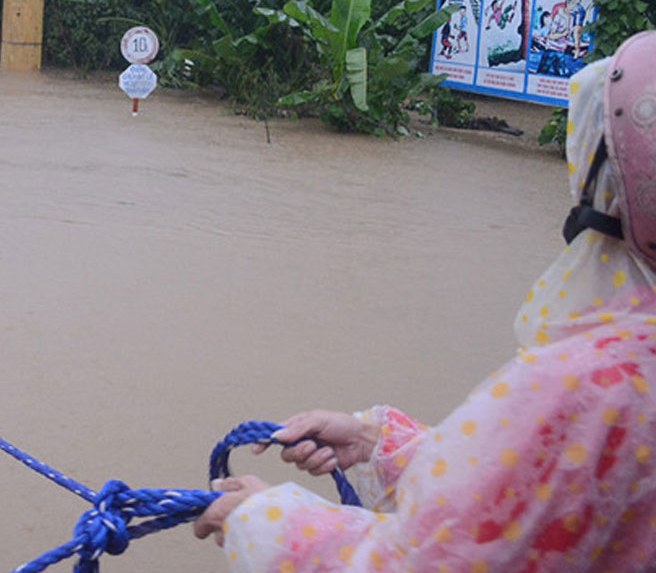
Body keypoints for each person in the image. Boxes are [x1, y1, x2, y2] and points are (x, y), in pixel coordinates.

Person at [195, 31, 656, 572]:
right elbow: (524, 491)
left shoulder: (593, 388)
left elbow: (422, 563)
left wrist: (263, 518)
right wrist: (374, 443)